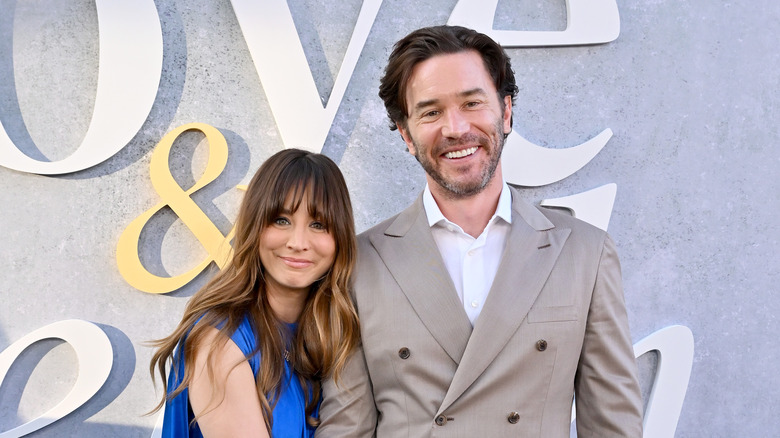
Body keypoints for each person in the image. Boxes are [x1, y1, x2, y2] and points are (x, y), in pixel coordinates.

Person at [316, 25, 643, 436]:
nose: (455, 128)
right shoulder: (360, 264)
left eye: (472, 103)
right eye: (431, 112)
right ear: (406, 133)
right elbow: (346, 428)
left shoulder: (584, 254)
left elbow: (613, 425)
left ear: (505, 113)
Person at [149, 148, 360, 437]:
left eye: (318, 224)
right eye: (281, 220)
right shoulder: (221, 341)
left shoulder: (328, 334)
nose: (298, 242)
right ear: (255, 227)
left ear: (340, 238)